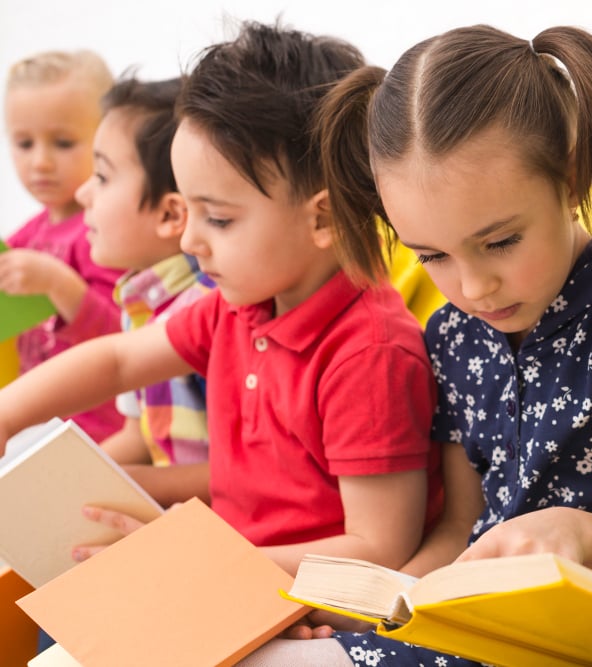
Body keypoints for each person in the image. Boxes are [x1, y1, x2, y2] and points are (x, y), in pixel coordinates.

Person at [242, 24, 592, 667]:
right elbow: (458, 529)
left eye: (499, 242)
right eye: (432, 255)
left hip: (582, 627)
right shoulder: (452, 333)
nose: (473, 286)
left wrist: (574, 533)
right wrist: (383, 607)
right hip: (472, 624)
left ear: (571, 176)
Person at [0, 20, 441, 583]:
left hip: (307, 604)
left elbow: (379, 551)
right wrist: (8, 413)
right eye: (189, 210)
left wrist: (196, 565)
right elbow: (118, 360)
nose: (188, 241)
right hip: (232, 578)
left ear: (322, 217)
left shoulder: (369, 353)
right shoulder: (238, 307)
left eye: (219, 218)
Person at [74, 75, 215, 506]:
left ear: (171, 214)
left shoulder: (209, 307)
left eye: (101, 176)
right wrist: (63, 484)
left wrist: (128, 486)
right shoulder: (137, 304)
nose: (82, 193)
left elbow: (244, 471)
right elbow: (137, 438)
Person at [2, 49, 124, 441]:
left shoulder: (106, 232)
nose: (40, 162)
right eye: (24, 143)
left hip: (96, 430)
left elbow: (122, 337)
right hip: (32, 422)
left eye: (63, 142)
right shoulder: (26, 236)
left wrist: (58, 283)